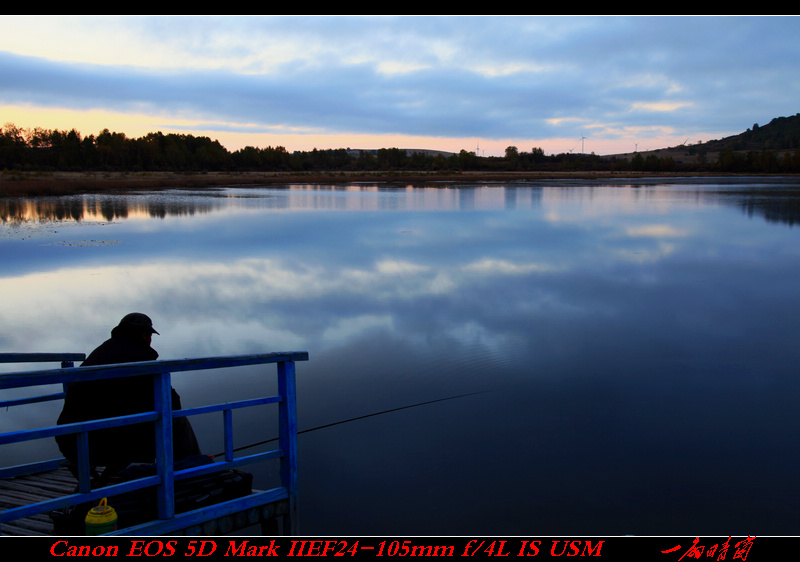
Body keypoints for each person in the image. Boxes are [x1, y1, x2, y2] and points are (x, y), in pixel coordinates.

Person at [56, 313, 201, 480]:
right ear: (144, 335)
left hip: (70, 441)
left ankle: (186, 473)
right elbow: (172, 403)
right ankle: (193, 476)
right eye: (150, 336)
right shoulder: (140, 360)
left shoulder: (100, 353)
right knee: (177, 421)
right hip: (101, 443)